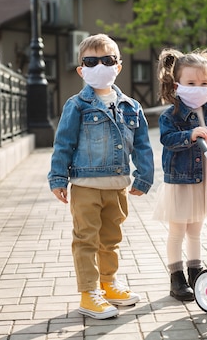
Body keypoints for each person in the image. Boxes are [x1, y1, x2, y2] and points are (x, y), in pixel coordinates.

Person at [47, 33, 154, 319]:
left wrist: (144, 177)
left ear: (118, 66)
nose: (100, 66)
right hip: (85, 186)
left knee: (111, 239)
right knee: (86, 239)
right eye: (91, 62)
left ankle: (108, 284)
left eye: (107, 60)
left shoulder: (132, 106)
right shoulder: (77, 105)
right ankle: (88, 293)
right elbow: (63, 143)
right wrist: (58, 178)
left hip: (117, 186)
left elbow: (142, 145)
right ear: (81, 70)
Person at [153, 48, 207, 301]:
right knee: (177, 230)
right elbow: (168, 139)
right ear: (178, 84)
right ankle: (176, 276)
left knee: (195, 230)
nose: (199, 88)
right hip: (182, 182)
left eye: (204, 83)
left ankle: (195, 270)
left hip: (204, 181)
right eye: (191, 83)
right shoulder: (171, 116)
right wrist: (189, 135)